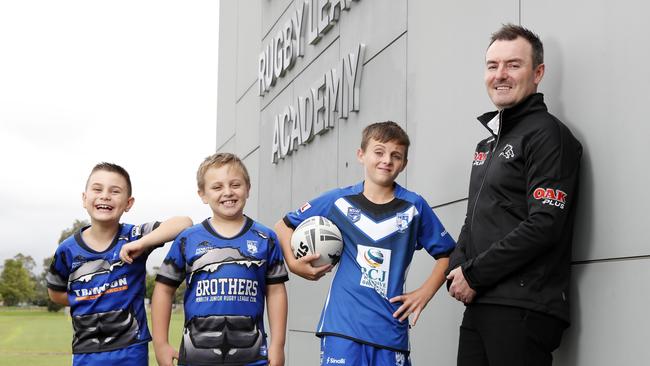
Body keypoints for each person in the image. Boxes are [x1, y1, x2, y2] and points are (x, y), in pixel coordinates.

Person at [446, 24, 583, 366]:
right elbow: (474, 218)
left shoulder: (548, 135)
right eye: (492, 66)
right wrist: (457, 268)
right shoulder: (488, 144)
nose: (500, 75)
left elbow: (544, 223)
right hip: (481, 303)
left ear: (538, 73)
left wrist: (474, 274)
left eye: (513, 65)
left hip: (523, 307)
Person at [274, 121, 456, 366]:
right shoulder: (338, 200)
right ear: (361, 155)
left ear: (404, 164)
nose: (386, 160)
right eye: (378, 152)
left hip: (390, 330)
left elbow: (448, 254)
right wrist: (294, 265)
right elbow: (283, 226)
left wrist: (425, 293)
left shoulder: (414, 207)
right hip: (342, 327)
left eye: (396, 155)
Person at [46, 162, 192, 366]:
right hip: (86, 352)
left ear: (128, 203)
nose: (105, 195)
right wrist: (91, 297)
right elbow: (55, 293)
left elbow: (184, 223)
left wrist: (142, 243)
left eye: (115, 191)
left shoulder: (134, 236)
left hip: (131, 349)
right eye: (97, 189)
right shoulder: (67, 250)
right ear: (84, 198)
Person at [152, 153, 289, 366]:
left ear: (248, 188)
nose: (228, 192)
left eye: (235, 184)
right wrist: (161, 344)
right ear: (203, 194)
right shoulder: (188, 239)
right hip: (197, 357)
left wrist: (278, 346)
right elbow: (163, 289)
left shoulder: (266, 238)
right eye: (217, 187)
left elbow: (276, 291)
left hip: (252, 357)